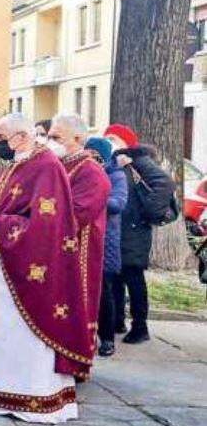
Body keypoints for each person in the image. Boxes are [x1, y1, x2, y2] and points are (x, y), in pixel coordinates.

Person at [0, 113, 95, 423]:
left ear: (21, 136)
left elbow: (48, 225)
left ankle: (27, 396)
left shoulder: (46, 166)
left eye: (1, 137)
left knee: (18, 334)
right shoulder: (13, 165)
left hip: (24, 270)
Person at [47, 115, 111, 359]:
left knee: (73, 304)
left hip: (77, 251)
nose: (50, 142)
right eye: (49, 136)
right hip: (52, 250)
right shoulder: (57, 165)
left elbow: (75, 215)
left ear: (78, 138)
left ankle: (73, 361)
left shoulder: (91, 172)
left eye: (56, 137)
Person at [104, 124, 176, 344]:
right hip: (119, 228)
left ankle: (140, 326)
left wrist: (147, 212)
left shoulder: (139, 160)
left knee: (133, 278)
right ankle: (117, 321)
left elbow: (165, 183)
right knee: (115, 277)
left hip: (134, 230)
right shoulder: (115, 162)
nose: (110, 143)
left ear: (127, 142)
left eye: (114, 138)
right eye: (108, 138)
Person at [85, 136, 127, 357]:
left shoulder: (116, 175)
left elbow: (118, 204)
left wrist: (95, 196)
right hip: (83, 237)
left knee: (104, 292)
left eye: (95, 155)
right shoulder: (81, 172)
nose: (90, 158)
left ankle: (107, 338)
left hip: (105, 239)